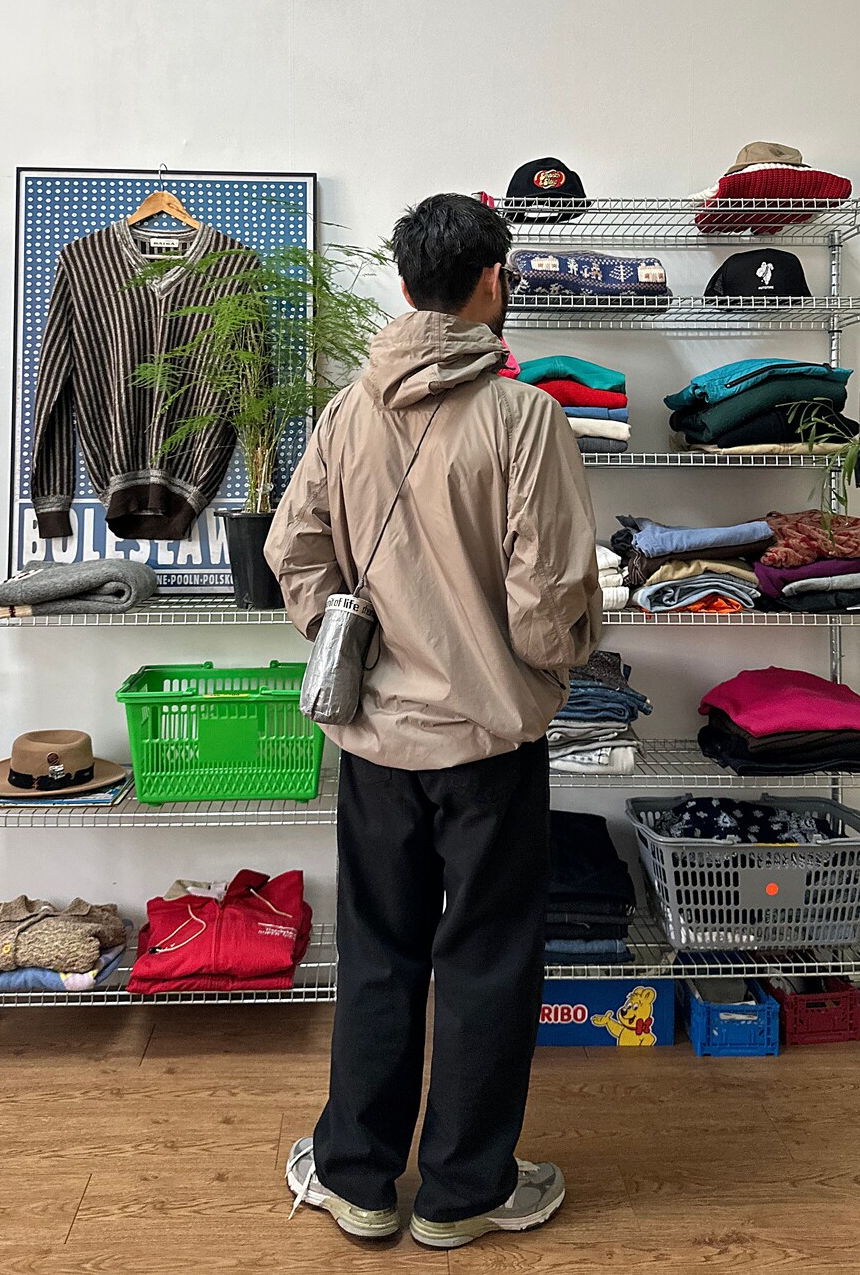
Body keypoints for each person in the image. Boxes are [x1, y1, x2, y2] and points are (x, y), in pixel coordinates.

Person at [266, 192, 601, 1250]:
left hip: (374, 738)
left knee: (377, 952)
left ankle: (358, 1179)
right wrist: (548, 663)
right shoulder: (525, 417)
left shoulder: (347, 411)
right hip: (489, 741)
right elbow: (548, 603)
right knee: (488, 958)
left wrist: (347, 631)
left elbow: (292, 549)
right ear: (492, 281)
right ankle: (463, 1193)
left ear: (407, 286)